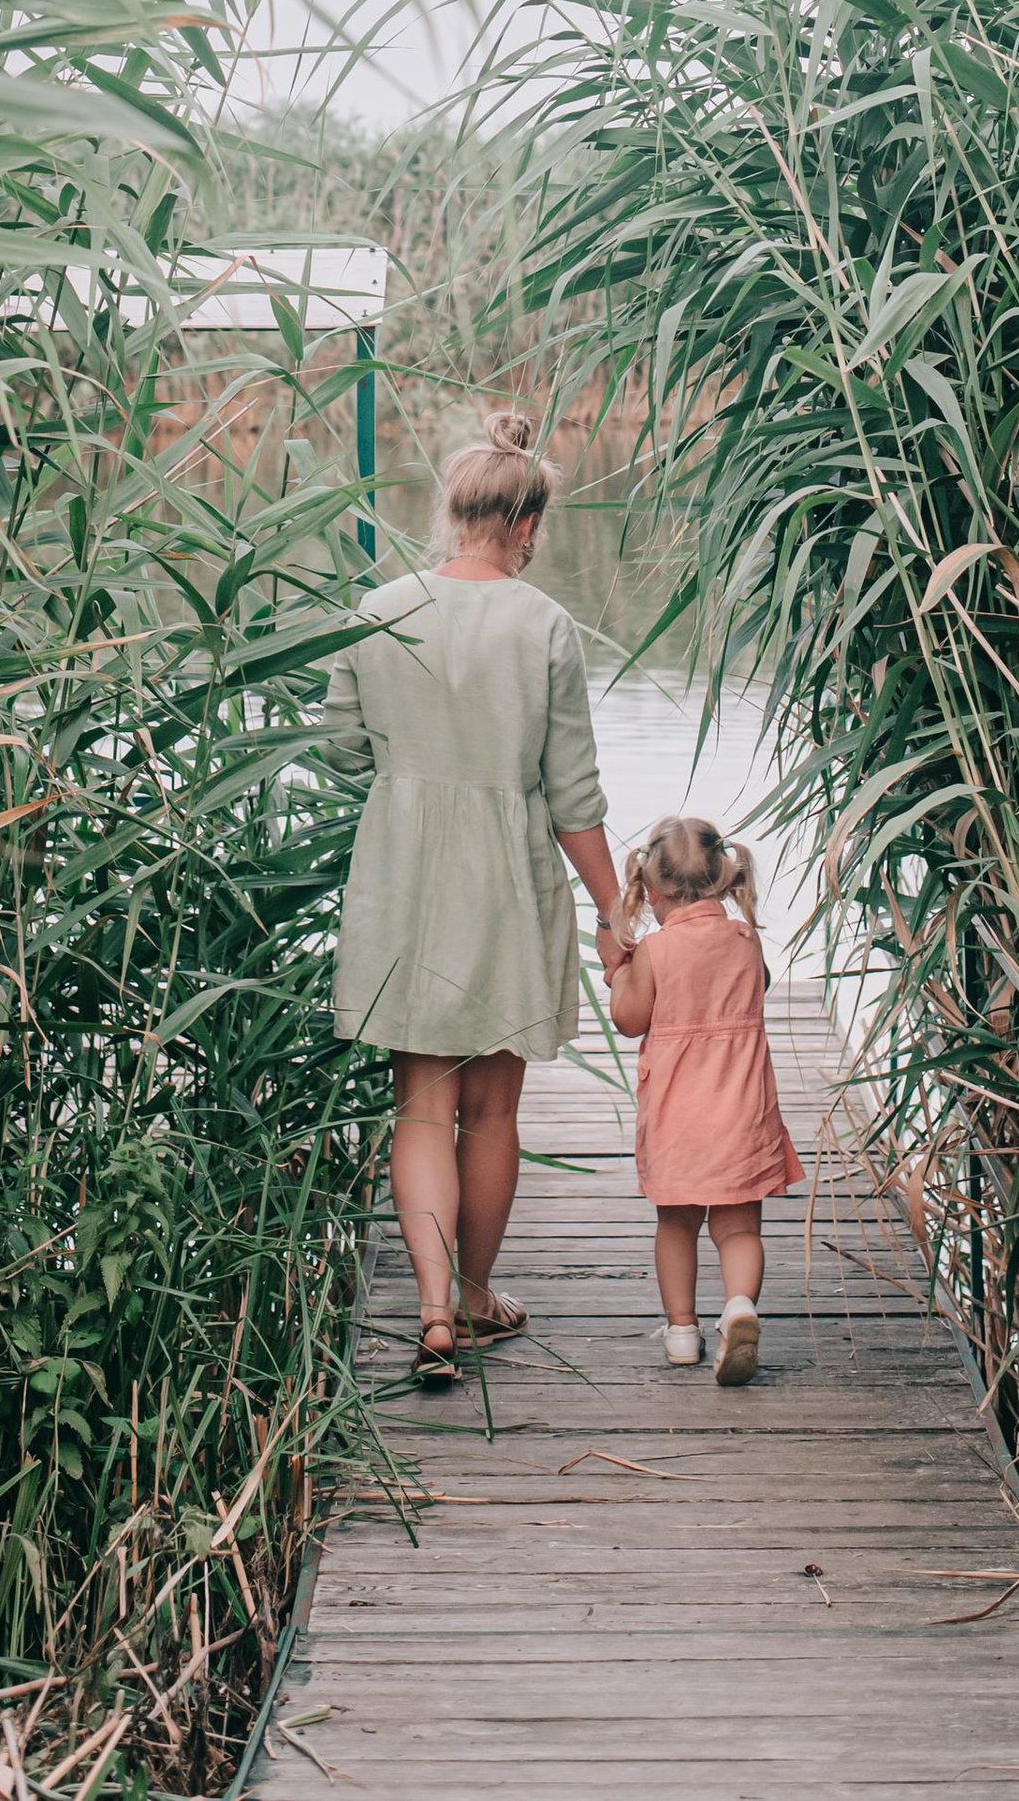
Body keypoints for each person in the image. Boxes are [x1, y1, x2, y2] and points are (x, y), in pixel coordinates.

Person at [319, 411, 625, 1388]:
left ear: (450, 512)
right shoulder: (544, 626)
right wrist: (616, 910)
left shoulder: (373, 612)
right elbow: (573, 795)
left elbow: (336, 751)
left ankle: (435, 1313)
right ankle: (481, 1293)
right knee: (490, 1115)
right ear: (527, 524)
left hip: (404, 879)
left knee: (420, 1109)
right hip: (504, 884)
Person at [595, 813, 801, 1385]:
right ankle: (739, 1307)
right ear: (723, 882)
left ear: (651, 891)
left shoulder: (656, 952)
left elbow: (631, 1021)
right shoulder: (744, 940)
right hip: (743, 1113)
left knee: (676, 1226)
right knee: (739, 1230)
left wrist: (617, 971)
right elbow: (756, 988)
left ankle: (682, 1332)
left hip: (678, 1119)